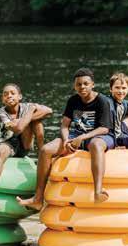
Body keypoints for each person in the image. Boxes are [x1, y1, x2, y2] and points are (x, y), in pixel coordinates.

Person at [17, 68, 115, 210]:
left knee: (96, 145)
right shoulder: (73, 100)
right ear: (75, 86)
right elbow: (64, 125)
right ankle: (38, 199)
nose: (82, 87)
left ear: (93, 84)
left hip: (98, 135)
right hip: (75, 136)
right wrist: (66, 140)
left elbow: (104, 128)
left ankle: (98, 191)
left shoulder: (102, 101)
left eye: (86, 84)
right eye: (79, 84)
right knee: (45, 150)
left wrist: (82, 137)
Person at [0, 83, 52, 208]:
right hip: (6, 143)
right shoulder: (0, 114)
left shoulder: (25, 107)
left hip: (24, 144)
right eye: (5, 94)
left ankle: (42, 156)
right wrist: (31, 111)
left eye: (13, 93)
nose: (9, 96)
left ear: (20, 96)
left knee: (37, 122)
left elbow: (49, 111)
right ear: (2, 99)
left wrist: (28, 116)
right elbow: (18, 128)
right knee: (2, 150)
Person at [108, 73, 128, 148]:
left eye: (124, 88)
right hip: (113, 136)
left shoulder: (125, 104)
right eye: (117, 88)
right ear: (111, 89)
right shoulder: (107, 103)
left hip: (121, 130)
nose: (120, 91)